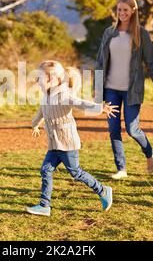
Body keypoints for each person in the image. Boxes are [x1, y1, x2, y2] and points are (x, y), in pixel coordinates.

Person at [26, 60, 119, 217]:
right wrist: (34, 124)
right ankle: (44, 206)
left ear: (52, 79)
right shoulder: (45, 97)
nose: (37, 80)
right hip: (54, 143)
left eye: (40, 77)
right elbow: (41, 113)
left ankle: (103, 190)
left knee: (76, 173)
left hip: (67, 143)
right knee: (46, 170)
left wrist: (100, 107)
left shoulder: (64, 96)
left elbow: (81, 103)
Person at [95, 0, 153, 179]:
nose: (122, 13)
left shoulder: (141, 33)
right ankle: (121, 168)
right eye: (119, 10)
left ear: (133, 11)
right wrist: (98, 91)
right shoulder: (109, 32)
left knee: (132, 129)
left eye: (126, 10)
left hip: (132, 90)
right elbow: (100, 62)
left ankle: (149, 152)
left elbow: (151, 61)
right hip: (111, 90)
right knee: (113, 129)